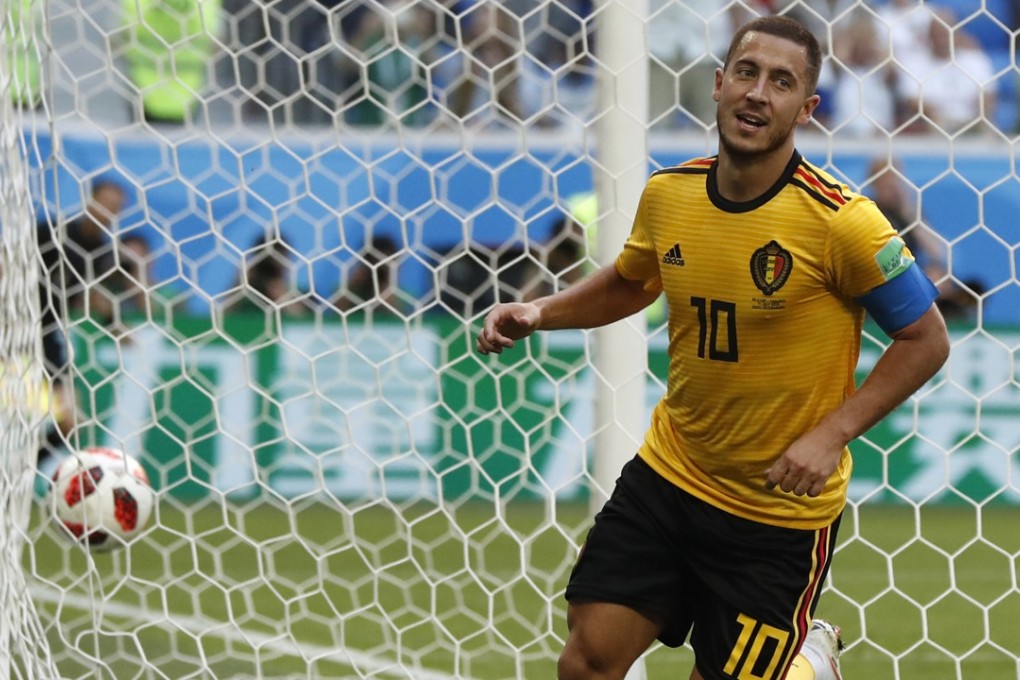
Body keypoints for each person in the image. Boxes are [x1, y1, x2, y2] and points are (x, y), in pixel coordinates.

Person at [477, 15, 950, 680]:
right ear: (719, 84)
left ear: (806, 109)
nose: (759, 93)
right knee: (585, 663)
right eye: (748, 73)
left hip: (775, 518)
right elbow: (631, 282)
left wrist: (832, 434)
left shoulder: (842, 221)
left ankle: (808, 660)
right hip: (671, 478)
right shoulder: (671, 195)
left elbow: (926, 338)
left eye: (782, 82)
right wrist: (539, 310)